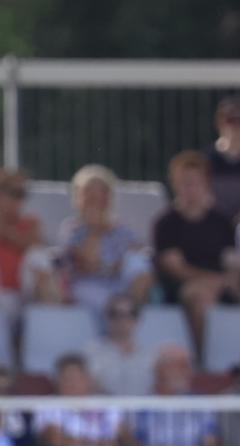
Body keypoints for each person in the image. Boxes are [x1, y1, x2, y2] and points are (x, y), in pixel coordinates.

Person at [153, 150, 240, 351]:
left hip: (220, 283)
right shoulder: (166, 223)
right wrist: (215, 280)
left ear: (206, 183)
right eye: (184, 182)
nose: (189, 188)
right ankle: (205, 360)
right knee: (201, 297)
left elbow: (230, 259)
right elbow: (176, 268)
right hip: (182, 287)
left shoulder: (221, 220)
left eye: (194, 181)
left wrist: (230, 279)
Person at [57, 164, 154, 314]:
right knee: (100, 297)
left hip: (118, 285)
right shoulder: (72, 229)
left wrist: (116, 267)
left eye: (102, 191)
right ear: (78, 196)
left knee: (138, 262)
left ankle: (132, 314)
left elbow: (137, 256)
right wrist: (95, 230)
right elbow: (87, 266)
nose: (96, 197)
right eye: (89, 191)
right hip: (87, 286)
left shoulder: (121, 229)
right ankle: (121, 316)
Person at [0, 167, 43, 307]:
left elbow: (33, 245)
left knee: (38, 257)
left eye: (21, 194)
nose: (18, 199)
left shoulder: (31, 223)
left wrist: (3, 230)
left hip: (25, 298)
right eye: (11, 192)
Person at [83, 293, 160, 396]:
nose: (122, 319)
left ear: (138, 319)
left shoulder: (152, 356)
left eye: (130, 313)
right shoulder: (89, 353)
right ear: (106, 317)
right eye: (114, 313)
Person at [206, 95, 240, 225]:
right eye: (230, 120)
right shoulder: (206, 160)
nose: (236, 126)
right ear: (219, 123)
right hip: (214, 225)